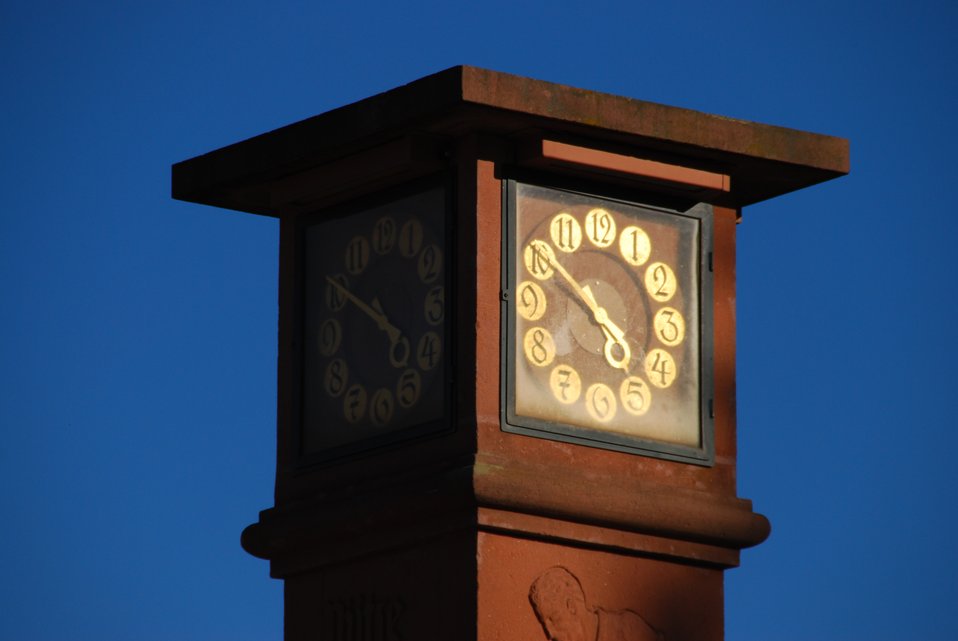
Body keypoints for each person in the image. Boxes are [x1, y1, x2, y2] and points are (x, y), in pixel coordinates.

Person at [528, 567, 662, 641]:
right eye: (544, 623)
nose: (550, 634)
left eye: (553, 619)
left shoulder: (626, 631)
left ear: (571, 606)